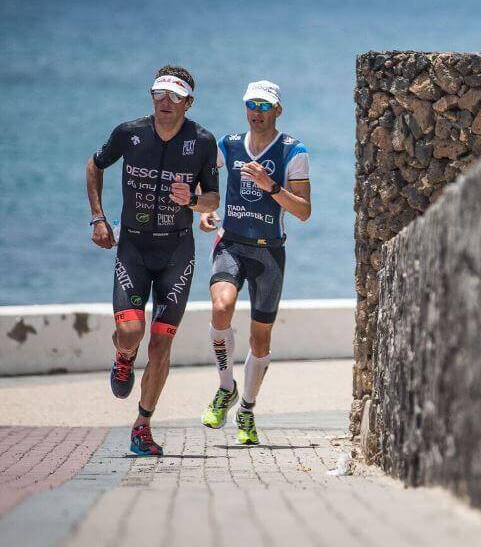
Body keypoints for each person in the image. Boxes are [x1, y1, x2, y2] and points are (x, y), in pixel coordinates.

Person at [85, 65, 220, 456]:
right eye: (159, 93)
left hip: (177, 252)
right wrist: (98, 217)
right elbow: (94, 165)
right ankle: (123, 357)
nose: (166, 101)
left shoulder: (202, 141)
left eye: (175, 96)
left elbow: (213, 199)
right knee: (131, 333)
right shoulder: (129, 133)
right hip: (134, 248)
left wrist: (192, 202)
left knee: (160, 346)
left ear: (188, 102)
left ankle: (142, 426)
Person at [198, 80, 311, 444]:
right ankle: (225, 387)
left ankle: (246, 408)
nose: (257, 112)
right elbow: (207, 189)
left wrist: (271, 187)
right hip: (231, 244)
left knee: (260, 340)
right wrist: (203, 210)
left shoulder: (294, 151)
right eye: (252, 105)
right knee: (220, 308)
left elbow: (304, 211)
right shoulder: (227, 145)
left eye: (265, 106)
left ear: (278, 110)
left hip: (269, 252)